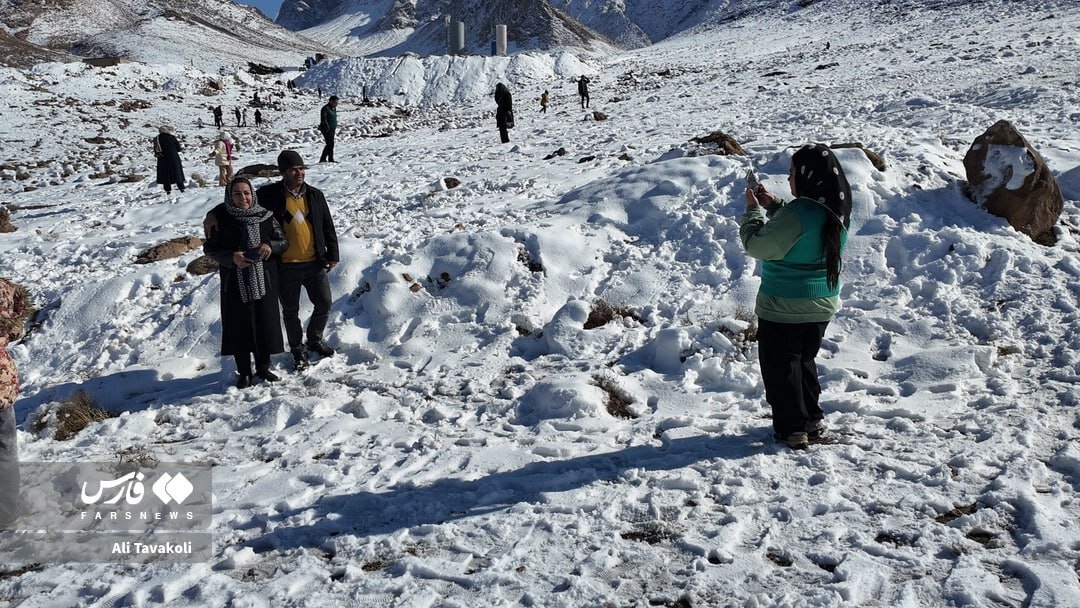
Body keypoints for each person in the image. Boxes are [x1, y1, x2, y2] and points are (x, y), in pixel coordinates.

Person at [740, 143, 852, 449]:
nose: (789, 180)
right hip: (821, 304)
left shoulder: (799, 214)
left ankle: (792, 429)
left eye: (792, 173)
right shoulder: (836, 210)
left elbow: (758, 245)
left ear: (807, 176)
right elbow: (802, 229)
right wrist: (773, 205)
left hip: (783, 304)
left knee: (781, 368)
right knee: (804, 362)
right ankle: (811, 421)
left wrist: (752, 212)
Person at [203, 178, 288, 389]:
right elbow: (210, 249)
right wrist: (231, 257)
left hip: (264, 281)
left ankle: (263, 368)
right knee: (240, 326)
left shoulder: (266, 216)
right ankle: (244, 372)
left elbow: (283, 241)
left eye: (247, 193)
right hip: (235, 283)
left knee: (264, 324)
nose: (244, 198)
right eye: (237, 194)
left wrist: (270, 246)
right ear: (229, 197)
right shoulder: (222, 219)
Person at [259, 150, 340, 369]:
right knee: (290, 311)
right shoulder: (268, 195)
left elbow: (327, 225)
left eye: (302, 168)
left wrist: (332, 254)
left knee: (324, 303)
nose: (299, 173)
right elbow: (244, 207)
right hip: (285, 266)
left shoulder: (314, 195)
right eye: (294, 169)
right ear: (283, 172)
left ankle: (314, 339)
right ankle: (297, 349)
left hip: (314, 263)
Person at [0, 277, 28, 526]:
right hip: (1, 381)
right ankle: (6, 515)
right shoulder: (5, 288)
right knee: (4, 449)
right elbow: (16, 328)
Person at [153, 126, 185, 194]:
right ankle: (181, 188)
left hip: (162, 159)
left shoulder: (157, 139)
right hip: (174, 158)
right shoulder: (172, 137)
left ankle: (168, 190)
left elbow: (156, 150)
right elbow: (178, 149)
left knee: (165, 174)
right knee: (177, 172)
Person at [318, 96, 338, 163]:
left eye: (337, 102)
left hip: (332, 128)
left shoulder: (333, 108)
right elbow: (324, 119)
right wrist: (327, 128)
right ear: (330, 101)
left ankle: (326, 158)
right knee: (330, 143)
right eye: (335, 102)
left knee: (330, 144)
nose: (336, 104)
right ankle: (327, 159)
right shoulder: (325, 108)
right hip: (326, 129)